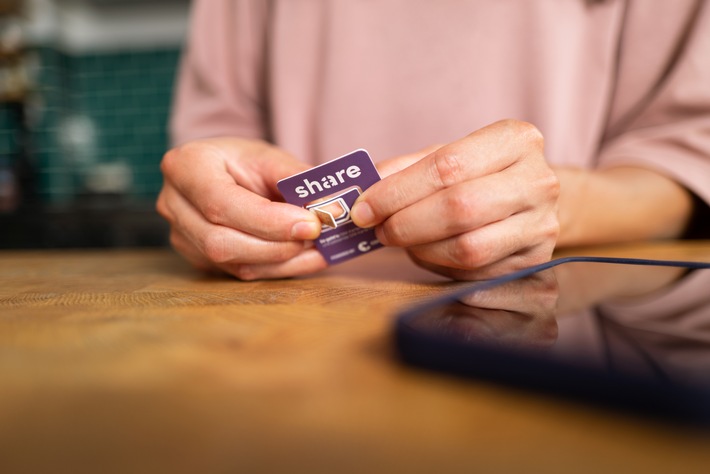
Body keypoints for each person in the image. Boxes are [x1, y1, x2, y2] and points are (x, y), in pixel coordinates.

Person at [157, 0, 710, 281]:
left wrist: (567, 202)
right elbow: (215, 135)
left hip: (561, 323)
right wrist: (214, 197)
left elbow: (686, 155)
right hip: (274, 323)